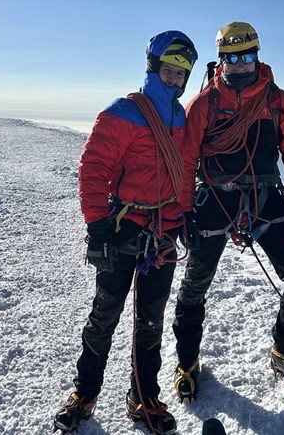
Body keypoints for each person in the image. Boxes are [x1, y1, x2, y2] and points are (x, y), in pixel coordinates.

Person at [54, 30, 198, 434]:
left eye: (180, 74)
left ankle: (143, 395)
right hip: (124, 227)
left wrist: (183, 215)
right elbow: (94, 171)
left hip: (163, 232)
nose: (174, 79)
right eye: (168, 71)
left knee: (150, 319)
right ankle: (84, 392)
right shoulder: (122, 112)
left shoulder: (180, 117)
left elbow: (182, 172)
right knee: (105, 314)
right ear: (153, 68)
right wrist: (97, 226)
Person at [172, 21, 284, 399]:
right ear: (221, 60)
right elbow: (187, 161)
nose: (239, 64)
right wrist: (184, 209)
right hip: (216, 199)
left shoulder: (278, 102)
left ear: (257, 55)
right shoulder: (205, 104)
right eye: (231, 58)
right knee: (195, 284)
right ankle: (186, 361)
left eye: (246, 56)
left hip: (266, 197)